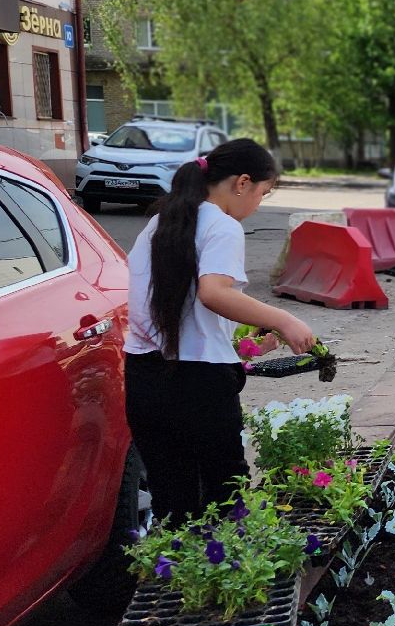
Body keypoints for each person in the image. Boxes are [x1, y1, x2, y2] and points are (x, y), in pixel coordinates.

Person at [124, 139, 316, 528]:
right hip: (200, 388)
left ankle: (176, 585)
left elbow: (181, 312)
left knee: (173, 506)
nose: (259, 204)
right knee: (225, 503)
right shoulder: (223, 226)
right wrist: (284, 319)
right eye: (263, 193)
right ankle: (224, 587)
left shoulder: (160, 222)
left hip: (144, 378)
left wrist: (241, 345)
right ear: (242, 183)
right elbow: (214, 293)